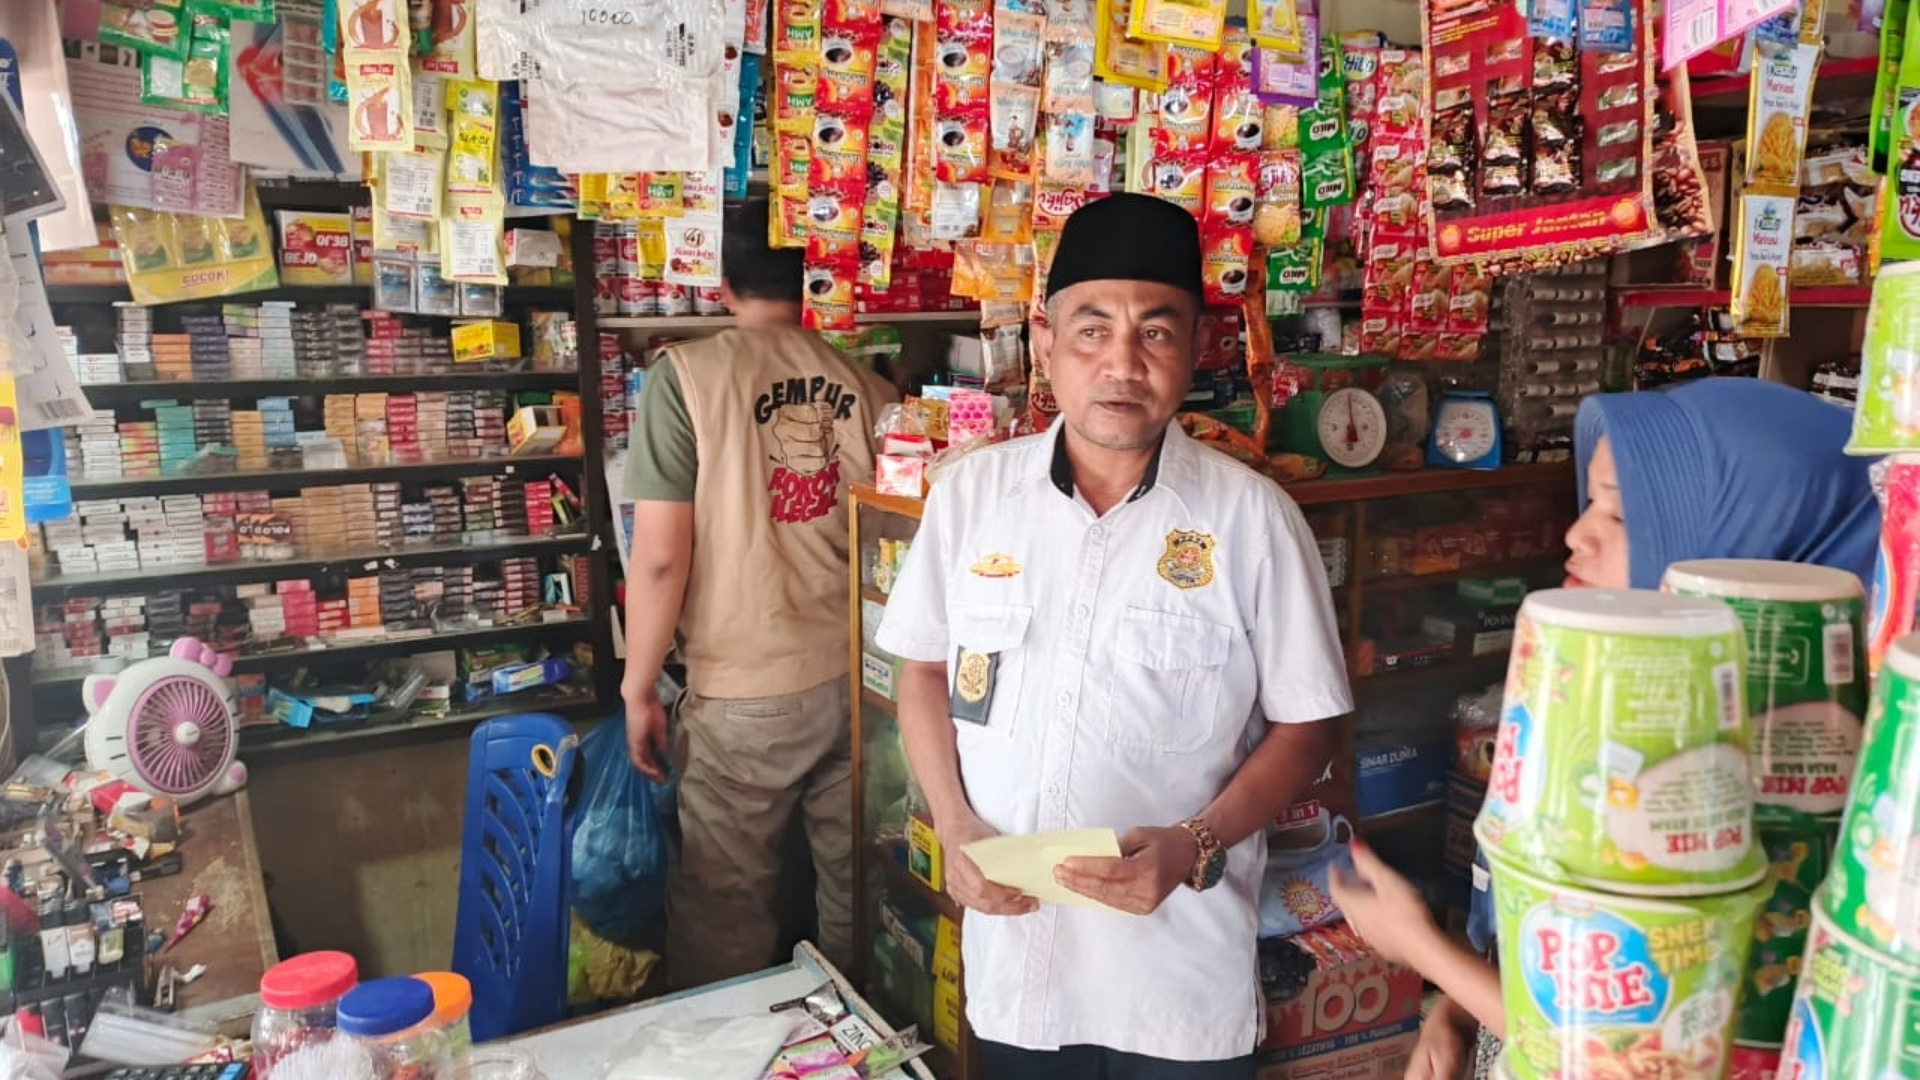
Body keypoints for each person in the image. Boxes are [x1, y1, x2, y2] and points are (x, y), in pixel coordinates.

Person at [875, 193, 1352, 1079]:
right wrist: (954, 825)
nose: (1123, 363)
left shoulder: (1254, 521)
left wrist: (1196, 842)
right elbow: (924, 673)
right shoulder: (970, 499)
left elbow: (1309, 724)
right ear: (1045, 341)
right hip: (1018, 967)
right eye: (1092, 330)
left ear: (1198, 348)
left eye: (1157, 332)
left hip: (1176, 983)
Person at [1330, 376, 1880, 1080]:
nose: (1575, 533)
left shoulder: (1797, 802)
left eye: (1621, 518)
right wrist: (1459, 1009)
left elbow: (1636, 1053)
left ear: (1741, 541)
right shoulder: (1644, 716)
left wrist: (1422, 949)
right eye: (1592, 504)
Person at [619, 200, 898, 989]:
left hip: (748, 693)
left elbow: (662, 560)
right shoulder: (868, 387)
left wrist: (639, 687)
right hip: (860, 679)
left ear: (720, 276)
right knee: (854, 892)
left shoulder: (684, 378)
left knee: (724, 904)